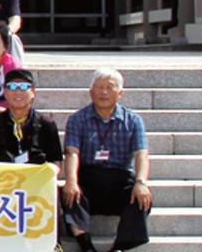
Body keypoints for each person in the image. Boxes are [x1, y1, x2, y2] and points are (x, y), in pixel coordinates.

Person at [62, 68, 152, 252]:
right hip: (88, 179)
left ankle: (119, 247)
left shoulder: (133, 120)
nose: (104, 92)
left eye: (110, 87)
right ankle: (85, 245)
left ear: (120, 93)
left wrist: (141, 182)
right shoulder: (77, 119)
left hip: (120, 179)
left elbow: (141, 154)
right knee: (67, 194)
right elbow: (71, 153)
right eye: (99, 87)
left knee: (142, 198)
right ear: (91, 92)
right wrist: (71, 181)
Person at [0, 69, 60, 166]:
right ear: (5, 92)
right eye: (12, 86)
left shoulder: (46, 124)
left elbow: (56, 161)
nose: (18, 92)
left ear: (33, 92)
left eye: (24, 86)